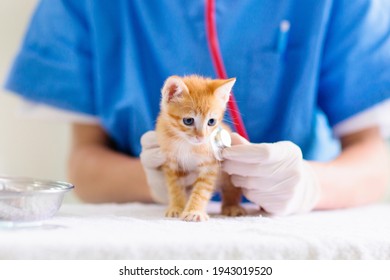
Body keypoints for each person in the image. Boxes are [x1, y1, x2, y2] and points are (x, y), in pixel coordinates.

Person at [4, 0, 390, 215]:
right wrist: (163, 181)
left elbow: (375, 159)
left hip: (303, 228)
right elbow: (84, 163)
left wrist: (311, 185)